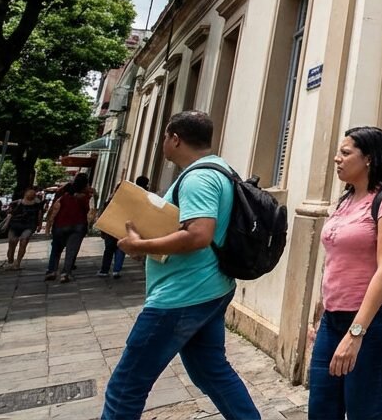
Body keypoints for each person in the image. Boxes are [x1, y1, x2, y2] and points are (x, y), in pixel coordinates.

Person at [104, 111, 258, 419]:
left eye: (164, 136)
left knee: (126, 385)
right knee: (211, 372)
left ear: (175, 138)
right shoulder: (220, 170)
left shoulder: (199, 178)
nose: (163, 142)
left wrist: (140, 245)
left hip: (181, 295)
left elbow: (198, 235)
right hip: (208, 288)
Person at [308, 126, 382, 419]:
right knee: (321, 408)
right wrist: (320, 312)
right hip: (333, 319)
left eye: (345, 152)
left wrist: (356, 333)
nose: (336, 159)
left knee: (364, 413)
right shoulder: (345, 199)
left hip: (378, 319)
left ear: (368, 158)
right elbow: (334, 259)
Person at [44, 173, 95, 282]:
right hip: (78, 224)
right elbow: (89, 210)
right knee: (71, 250)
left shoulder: (64, 193)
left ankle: (51, 270)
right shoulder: (86, 195)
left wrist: (49, 223)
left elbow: (55, 207)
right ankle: (66, 273)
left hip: (60, 224)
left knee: (56, 248)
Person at [98, 176, 150, 279]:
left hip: (112, 225)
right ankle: (116, 270)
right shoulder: (141, 196)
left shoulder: (115, 198)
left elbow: (106, 211)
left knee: (108, 249)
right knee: (120, 249)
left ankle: (104, 270)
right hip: (125, 226)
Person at [2, 187, 44, 270]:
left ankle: (17, 263)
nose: (32, 195)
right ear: (25, 194)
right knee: (12, 244)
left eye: (33, 194)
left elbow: (39, 215)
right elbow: (9, 214)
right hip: (15, 225)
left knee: (23, 242)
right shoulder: (16, 203)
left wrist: (39, 225)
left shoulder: (37, 204)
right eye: (30, 193)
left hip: (29, 225)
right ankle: (10, 262)